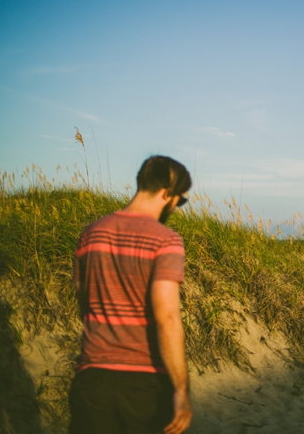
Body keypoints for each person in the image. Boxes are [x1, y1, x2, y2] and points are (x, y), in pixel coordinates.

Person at [69, 156, 193, 434]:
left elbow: (84, 307)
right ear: (166, 194)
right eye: (179, 201)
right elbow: (167, 319)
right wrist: (182, 390)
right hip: (144, 385)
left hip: (92, 380)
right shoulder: (165, 240)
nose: (176, 207)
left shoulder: (90, 234)